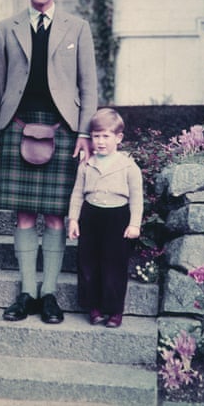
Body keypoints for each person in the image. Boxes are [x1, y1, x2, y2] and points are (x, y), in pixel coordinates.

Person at [0, 0, 98, 324]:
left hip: (63, 128)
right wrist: (9, 120)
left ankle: (49, 294)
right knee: (23, 215)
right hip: (19, 124)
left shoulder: (78, 27)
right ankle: (25, 293)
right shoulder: (5, 28)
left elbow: (89, 85)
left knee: (54, 216)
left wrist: (84, 132)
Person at [68, 108, 143, 328]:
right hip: (91, 217)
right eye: (96, 136)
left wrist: (134, 224)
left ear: (118, 138)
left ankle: (115, 310)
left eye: (106, 136)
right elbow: (77, 193)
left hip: (117, 218)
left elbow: (137, 198)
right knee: (88, 264)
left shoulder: (128, 166)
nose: (100, 142)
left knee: (114, 265)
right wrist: (73, 220)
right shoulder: (86, 165)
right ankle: (94, 307)